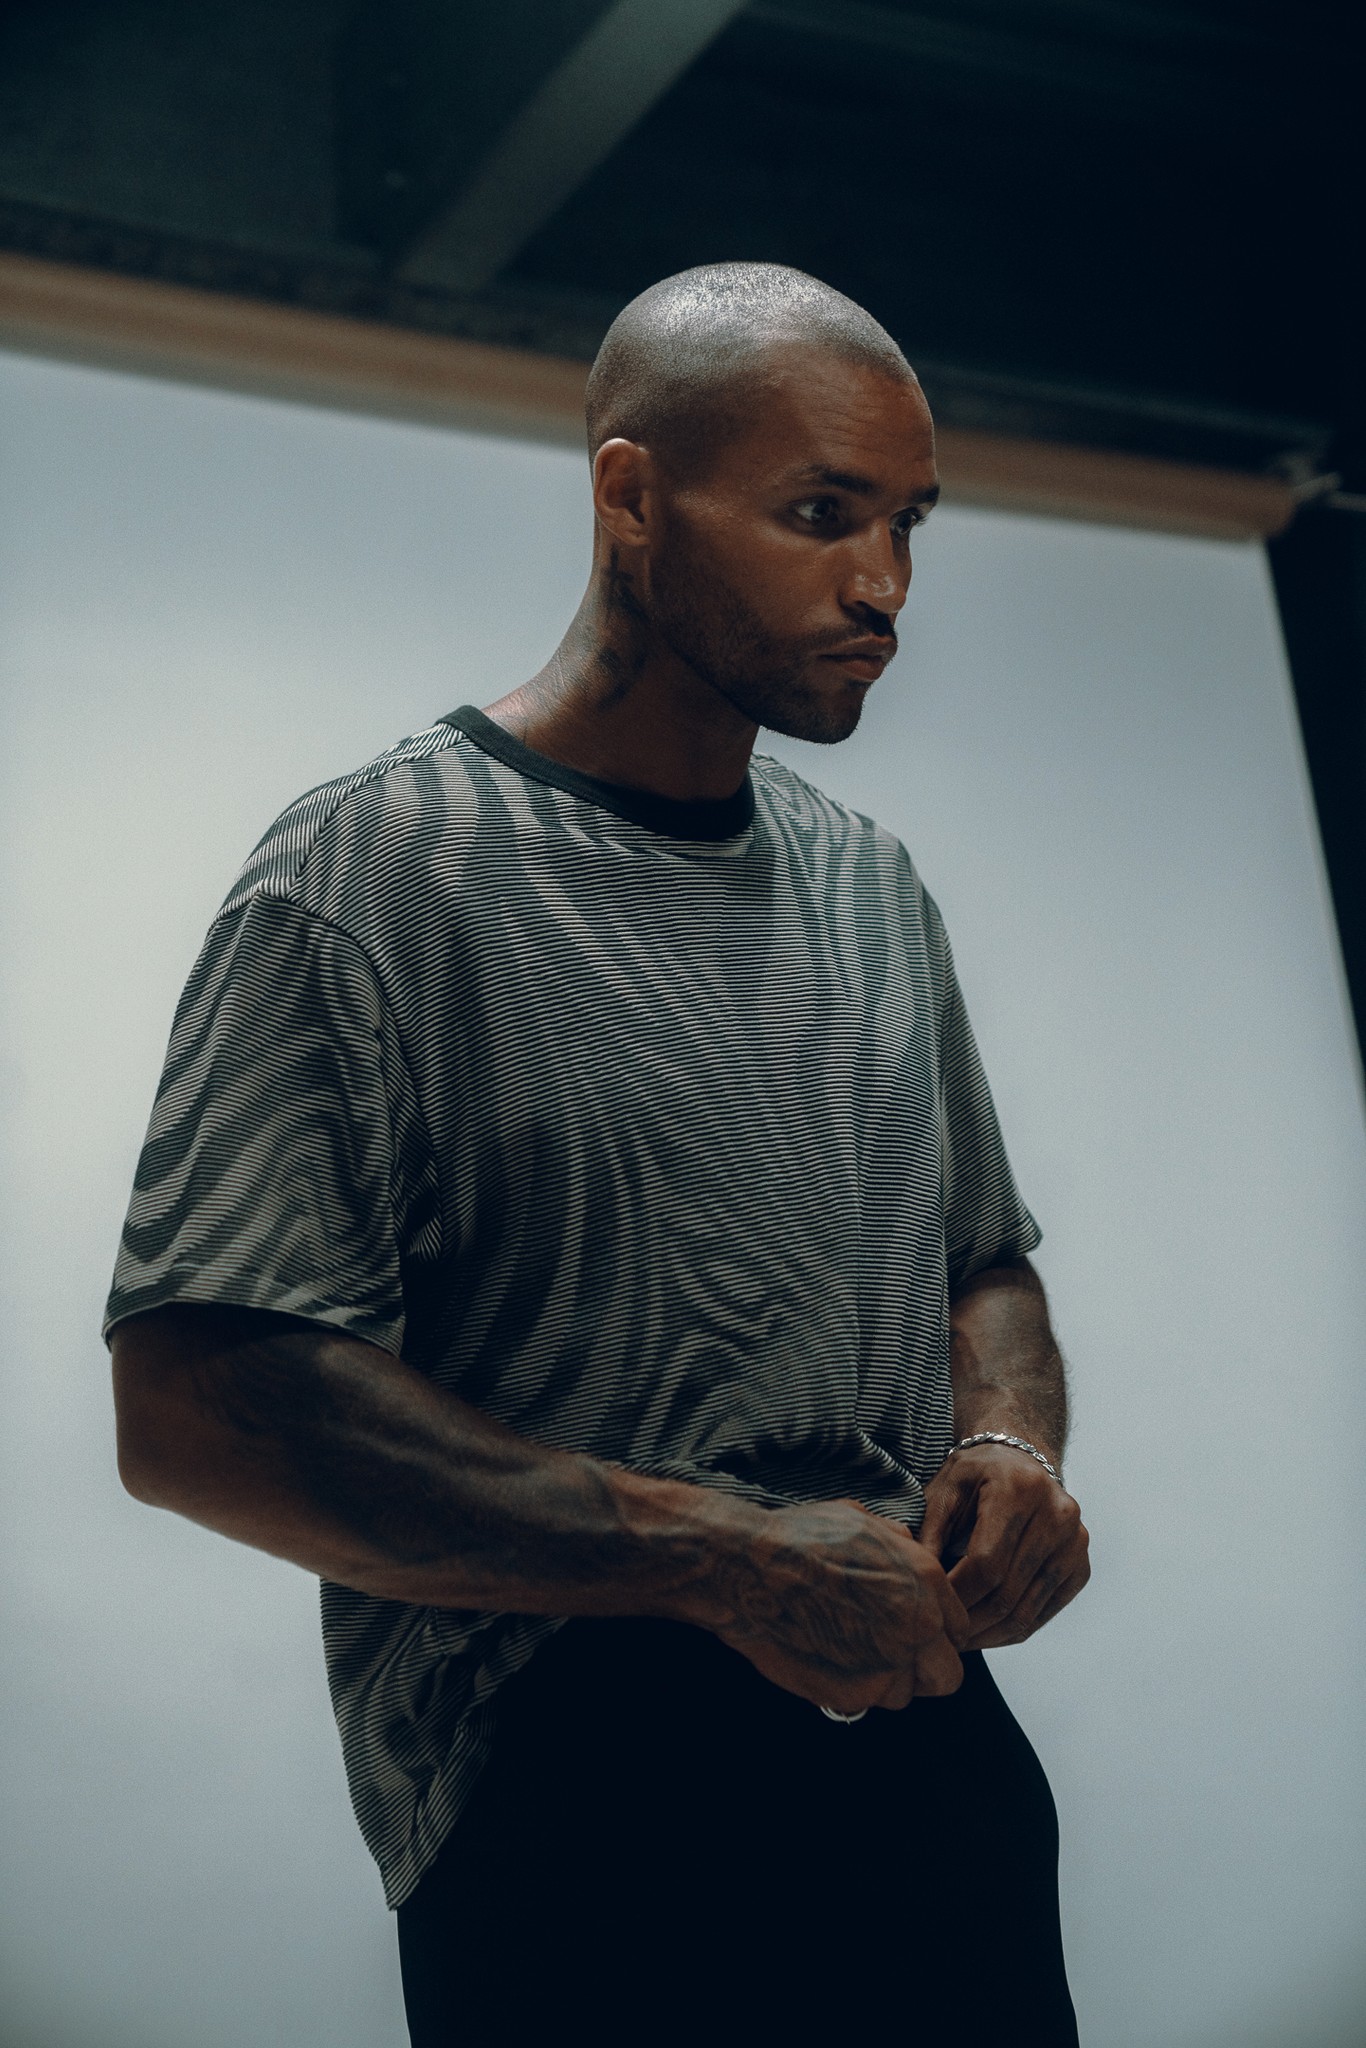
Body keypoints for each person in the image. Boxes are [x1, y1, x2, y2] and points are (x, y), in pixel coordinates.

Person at [105, 261, 1090, 2045]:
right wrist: (714, 1554)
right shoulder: (375, 868)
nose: (882, 588)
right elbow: (196, 1405)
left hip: (924, 1746)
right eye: (819, 516)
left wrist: (1010, 1441)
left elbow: (982, 1267)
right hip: (578, 1795)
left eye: (906, 526)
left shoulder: (870, 883)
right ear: (629, 496)